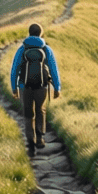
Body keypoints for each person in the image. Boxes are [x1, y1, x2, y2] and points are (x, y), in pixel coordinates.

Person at [10, 22, 61, 156]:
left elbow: (14, 69)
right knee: (40, 110)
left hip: (24, 87)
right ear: (40, 33)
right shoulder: (46, 49)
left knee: (28, 115)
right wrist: (57, 88)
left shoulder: (22, 49)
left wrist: (14, 88)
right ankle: (40, 138)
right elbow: (53, 69)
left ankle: (30, 144)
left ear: (29, 33)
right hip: (42, 86)